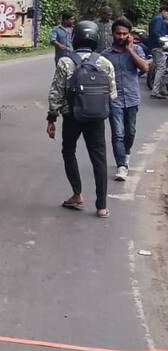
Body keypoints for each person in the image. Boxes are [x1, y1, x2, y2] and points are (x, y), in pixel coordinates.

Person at [47, 19, 117, 218]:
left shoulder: (65, 62)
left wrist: (51, 118)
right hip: (96, 118)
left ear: (74, 38)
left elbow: (56, 93)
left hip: (71, 117)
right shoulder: (104, 62)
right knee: (100, 159)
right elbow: (112, 95)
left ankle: (77, 195)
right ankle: (102, 207)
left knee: (69, 151)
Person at [102, 17, 149, 181]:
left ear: (129, 35)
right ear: (112, 33)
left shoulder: (136, 49)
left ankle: (126, 153)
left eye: (124, 34)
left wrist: (130, 50)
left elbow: (145, 67)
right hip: (114, 100)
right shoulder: (105, 56)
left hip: (132, 98)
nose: (121, 37)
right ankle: (121, 165)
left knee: (130, 131)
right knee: (118, 133)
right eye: (118, 33)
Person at [147, 2, 168, 98]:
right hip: (158, 46)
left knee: (160, 67)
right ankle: (155, 91)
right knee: (162, 68)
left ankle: (162, 89)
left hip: (152, 46)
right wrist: (163, 42)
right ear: (164, 11)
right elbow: (156, 32)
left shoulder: (155, 19)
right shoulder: (159, 19)